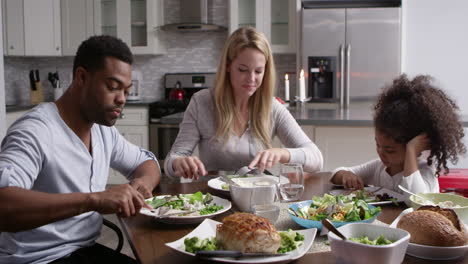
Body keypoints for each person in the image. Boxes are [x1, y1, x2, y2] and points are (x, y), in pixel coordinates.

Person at [0, 35, 161, 264]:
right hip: (37, 259)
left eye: (126, 90)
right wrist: (93, 200)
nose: (121, 99)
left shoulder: (102, 130)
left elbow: (146, 163)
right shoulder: (35, 131)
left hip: (83, 251)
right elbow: (3, 205)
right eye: (113, 87)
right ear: (82, 77)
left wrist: (141, 185)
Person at [164, 27, 323, 180]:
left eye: (258, 71)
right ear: (228, 66)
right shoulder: (202, 103)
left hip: (257, 199)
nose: (251, 79)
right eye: (243, 70)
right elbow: (171, 162)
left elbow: (316, 160)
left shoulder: (272, 108)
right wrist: (179, 163)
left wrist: (282, 154)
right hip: (213, 200)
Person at [330, 74, 465, 194]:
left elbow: (414, 198)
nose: (381, 153)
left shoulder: (426, 171)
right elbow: (336, 173)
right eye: (378, 145)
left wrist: (411, 151)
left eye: (390, 150)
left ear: (417, 147)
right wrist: (346, 175)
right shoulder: (379, 168)